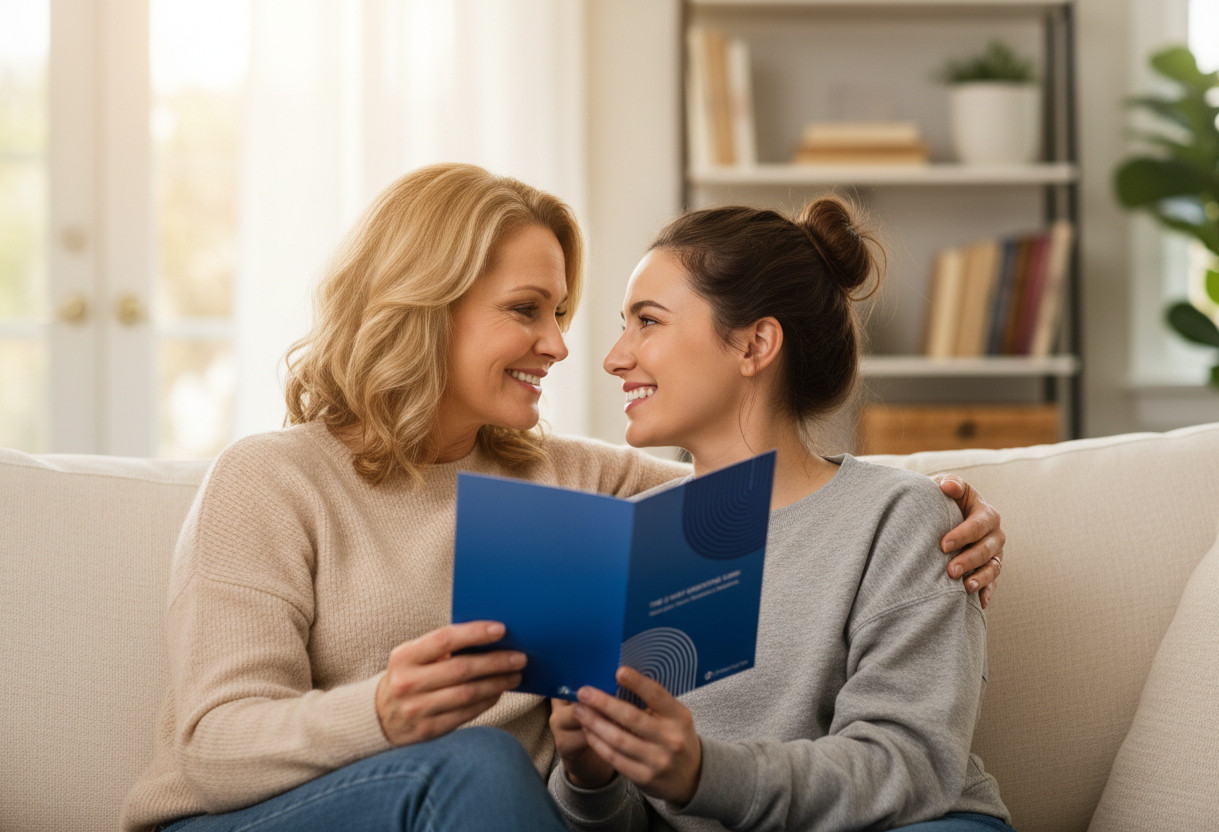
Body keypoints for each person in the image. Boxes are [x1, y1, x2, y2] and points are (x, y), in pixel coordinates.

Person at [121, 164, 1005, 832]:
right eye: (528, 310)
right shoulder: (272, 480)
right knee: (478, 764)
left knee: (487, 772)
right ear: (426, 307)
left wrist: (945, 510)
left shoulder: (584, 485)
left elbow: (775, 498)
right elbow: (211, 746)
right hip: (258, 813)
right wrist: (383, 710)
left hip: (484, 811)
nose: (565, 346)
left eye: (568, 314)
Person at [548, 196, 1014, 831]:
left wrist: (704, 773)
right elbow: (641, 817)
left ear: (756, 344)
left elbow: (910, 766)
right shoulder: (633, 540)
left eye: (648, 322)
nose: (614, 357)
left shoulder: (901, 520)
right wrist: (590, 775)